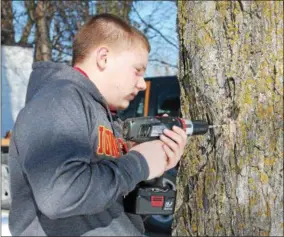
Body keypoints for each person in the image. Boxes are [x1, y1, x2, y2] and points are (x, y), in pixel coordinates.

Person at [8, 13, 187, 236]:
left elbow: (106, 207)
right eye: (137, 71)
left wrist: (153, 171)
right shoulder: (59, 100)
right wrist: (139, 162)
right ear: (103, 57)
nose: (142, 84)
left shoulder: (106, 117)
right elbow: (61, 195)